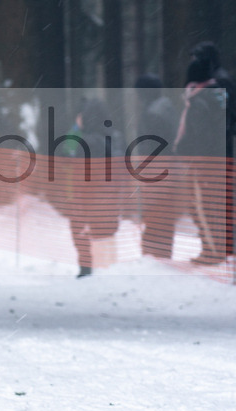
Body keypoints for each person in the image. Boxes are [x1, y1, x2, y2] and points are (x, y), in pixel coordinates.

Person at [174, 42, 233, 264]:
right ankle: (218, 247)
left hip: (211, 160)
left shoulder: (214, 87)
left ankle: (215, 249)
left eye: (195, 58)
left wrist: (190, 154)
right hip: (219, 157)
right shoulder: (217, 85)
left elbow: (208, 130)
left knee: (208, 204)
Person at [57, 97, 122, 278]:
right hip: (110, 198)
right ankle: (106, 270)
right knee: (106, 236)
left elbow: (66, 152)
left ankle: (87, 270)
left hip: (86, 197)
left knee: (83, 233)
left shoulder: (86, 141)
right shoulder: (115, 137)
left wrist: (76, 128)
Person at [133, 75, 179, 258]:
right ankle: (162, 249)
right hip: (168, 167)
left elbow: (152, 144)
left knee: (155, 209)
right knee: (165, 210)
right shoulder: (166, 106)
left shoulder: (152, 112)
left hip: (156, 169)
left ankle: (154, 251)